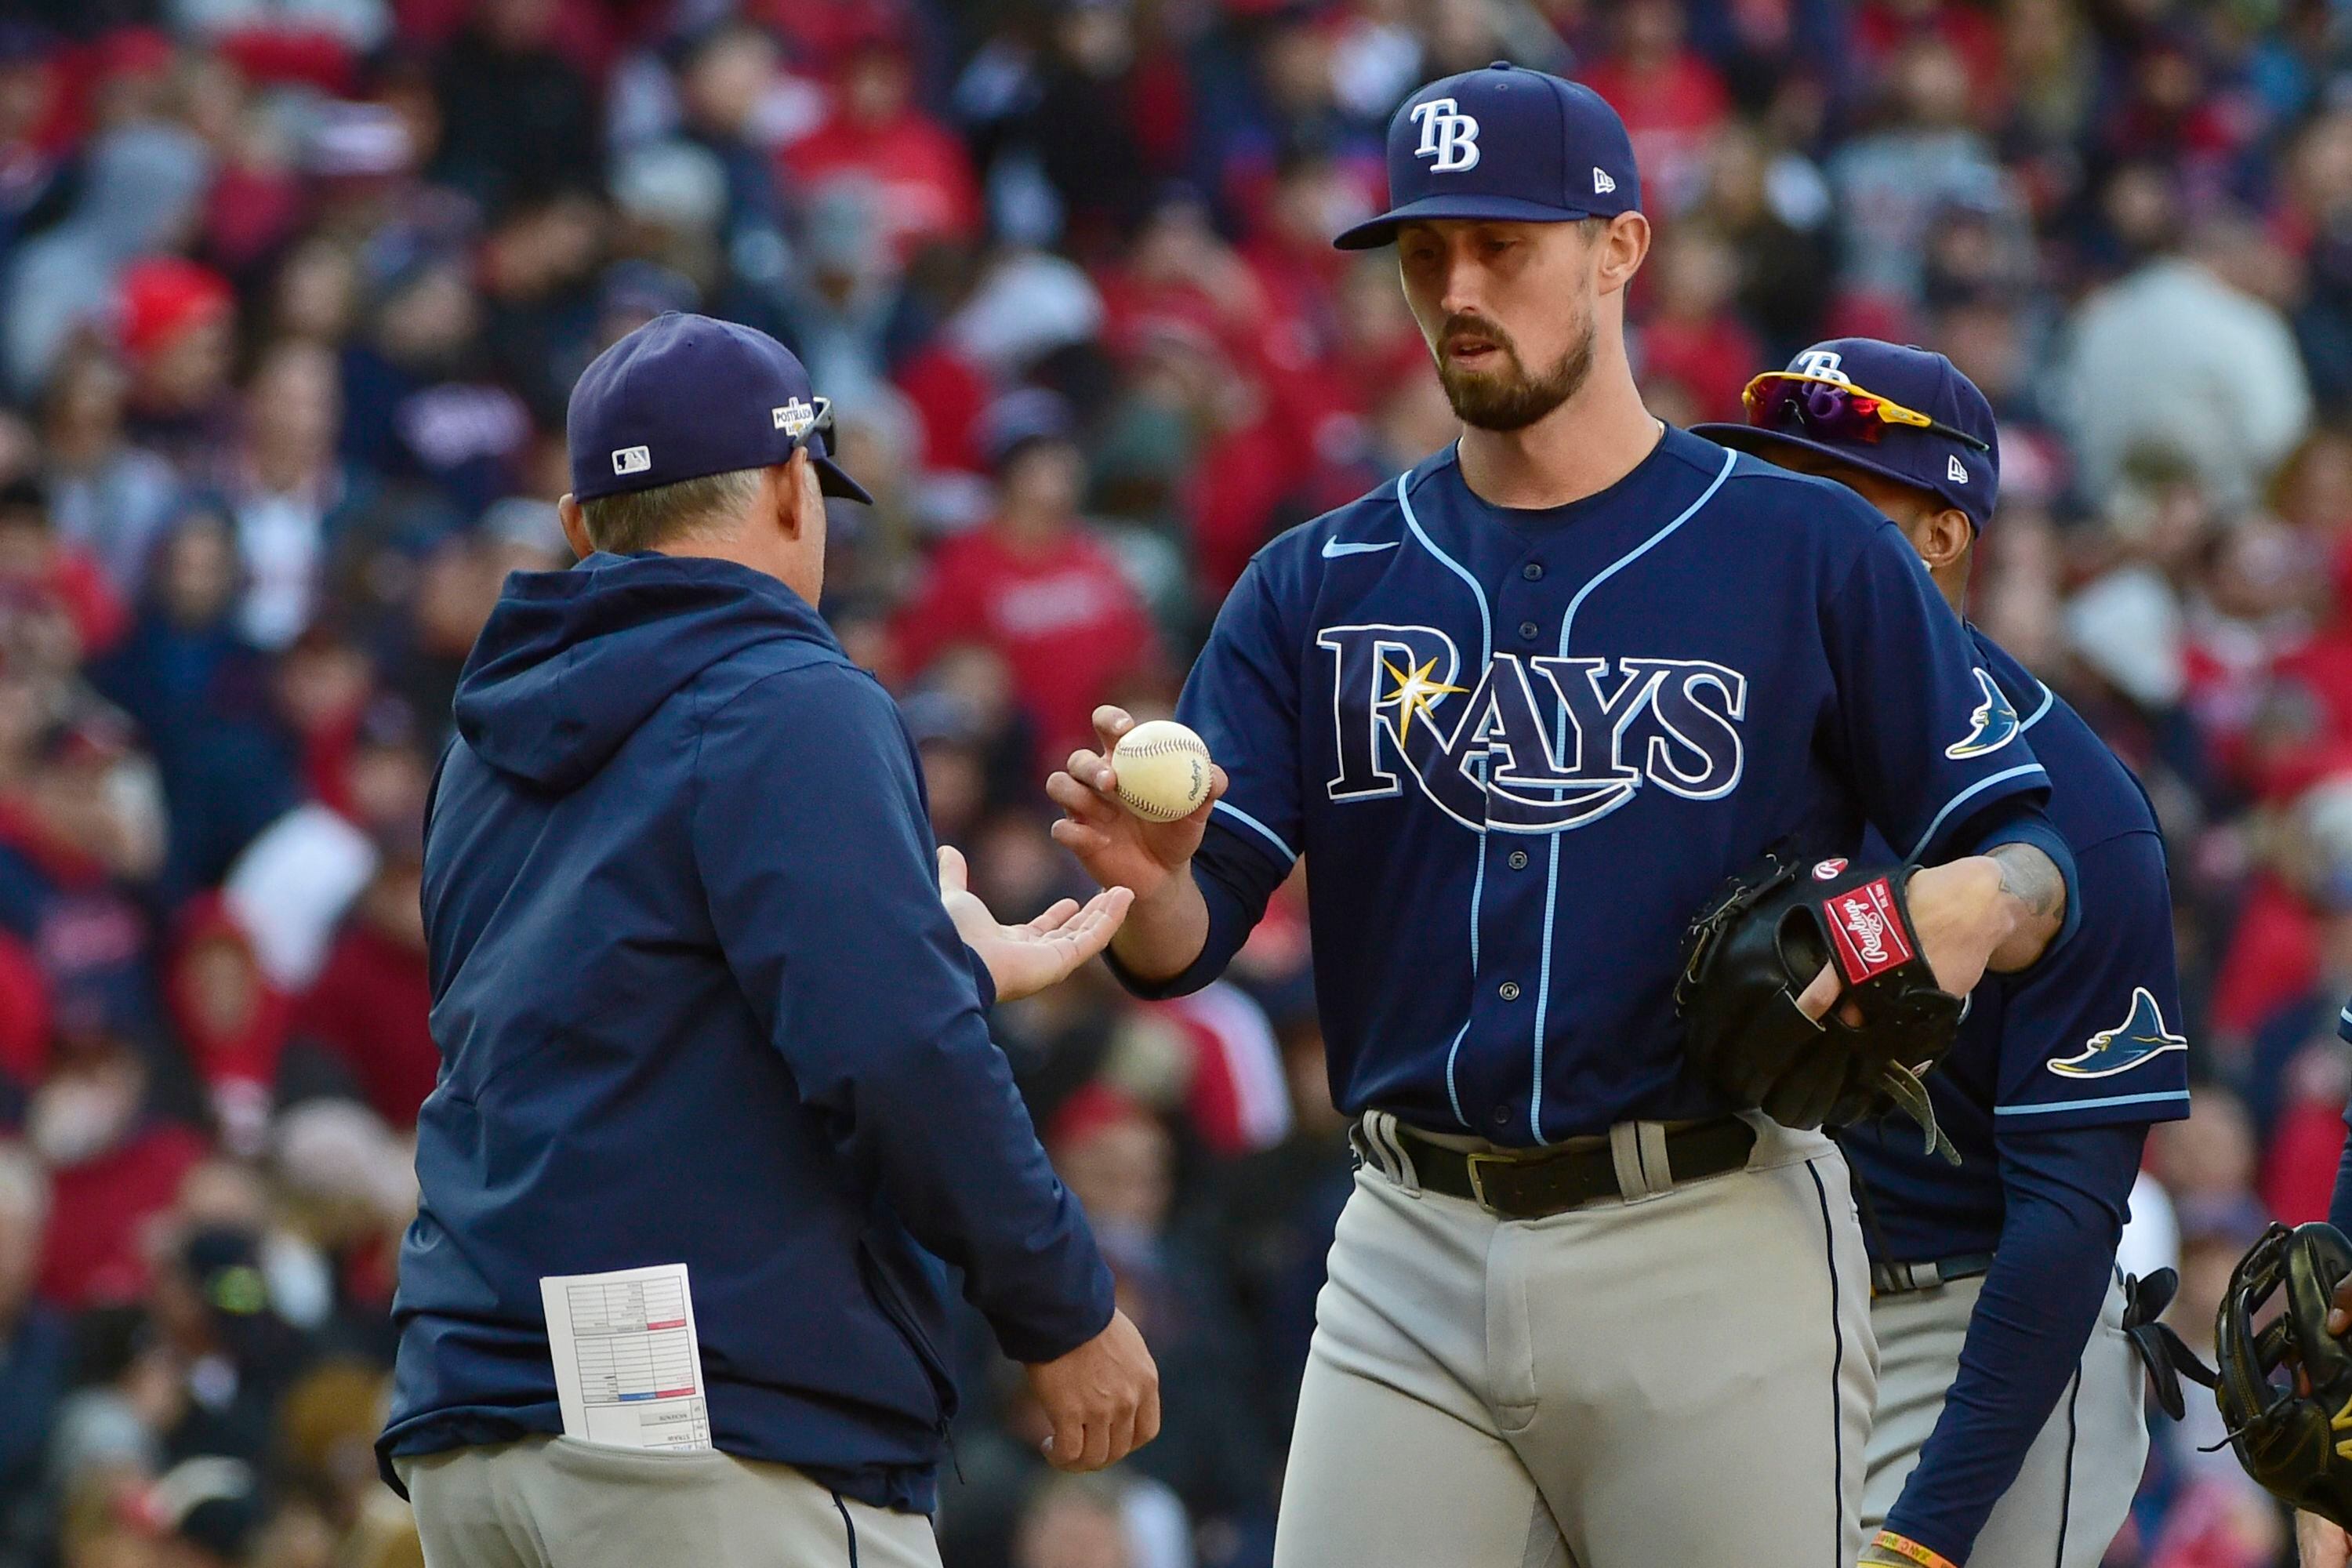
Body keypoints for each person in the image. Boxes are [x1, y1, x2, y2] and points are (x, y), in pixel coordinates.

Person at [1047, 65, 2073, 1565]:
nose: (1457, 289)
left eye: (1504, 246)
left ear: (1620, 250)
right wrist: (1154, 885)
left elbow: (2034, 848)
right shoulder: (1317, 580)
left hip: (1709, 1241)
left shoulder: (1802, 552)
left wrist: (1969, 904)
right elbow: (1190, 943)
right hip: (1407, 1243)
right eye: (1423, 253)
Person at [378, 312, 1160, 1568]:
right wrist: (1061, 1306)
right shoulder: (790, 697)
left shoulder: (481, 741)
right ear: (798, 488)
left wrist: (940, 957)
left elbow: (634, 1011)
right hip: (703, 1425)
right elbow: (895, 1053)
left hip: (475, 1413)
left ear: (583, 529)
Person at [1693, 339, 2192, 1568]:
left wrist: (1931, 1534)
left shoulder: (2082, 809)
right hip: (1750, 1306)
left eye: (1832, 499)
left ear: (1939, 537)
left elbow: (2068, 1219)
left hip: (1970, 1327)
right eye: (1769, 488)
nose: (1782, 529)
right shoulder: (1701, 739)